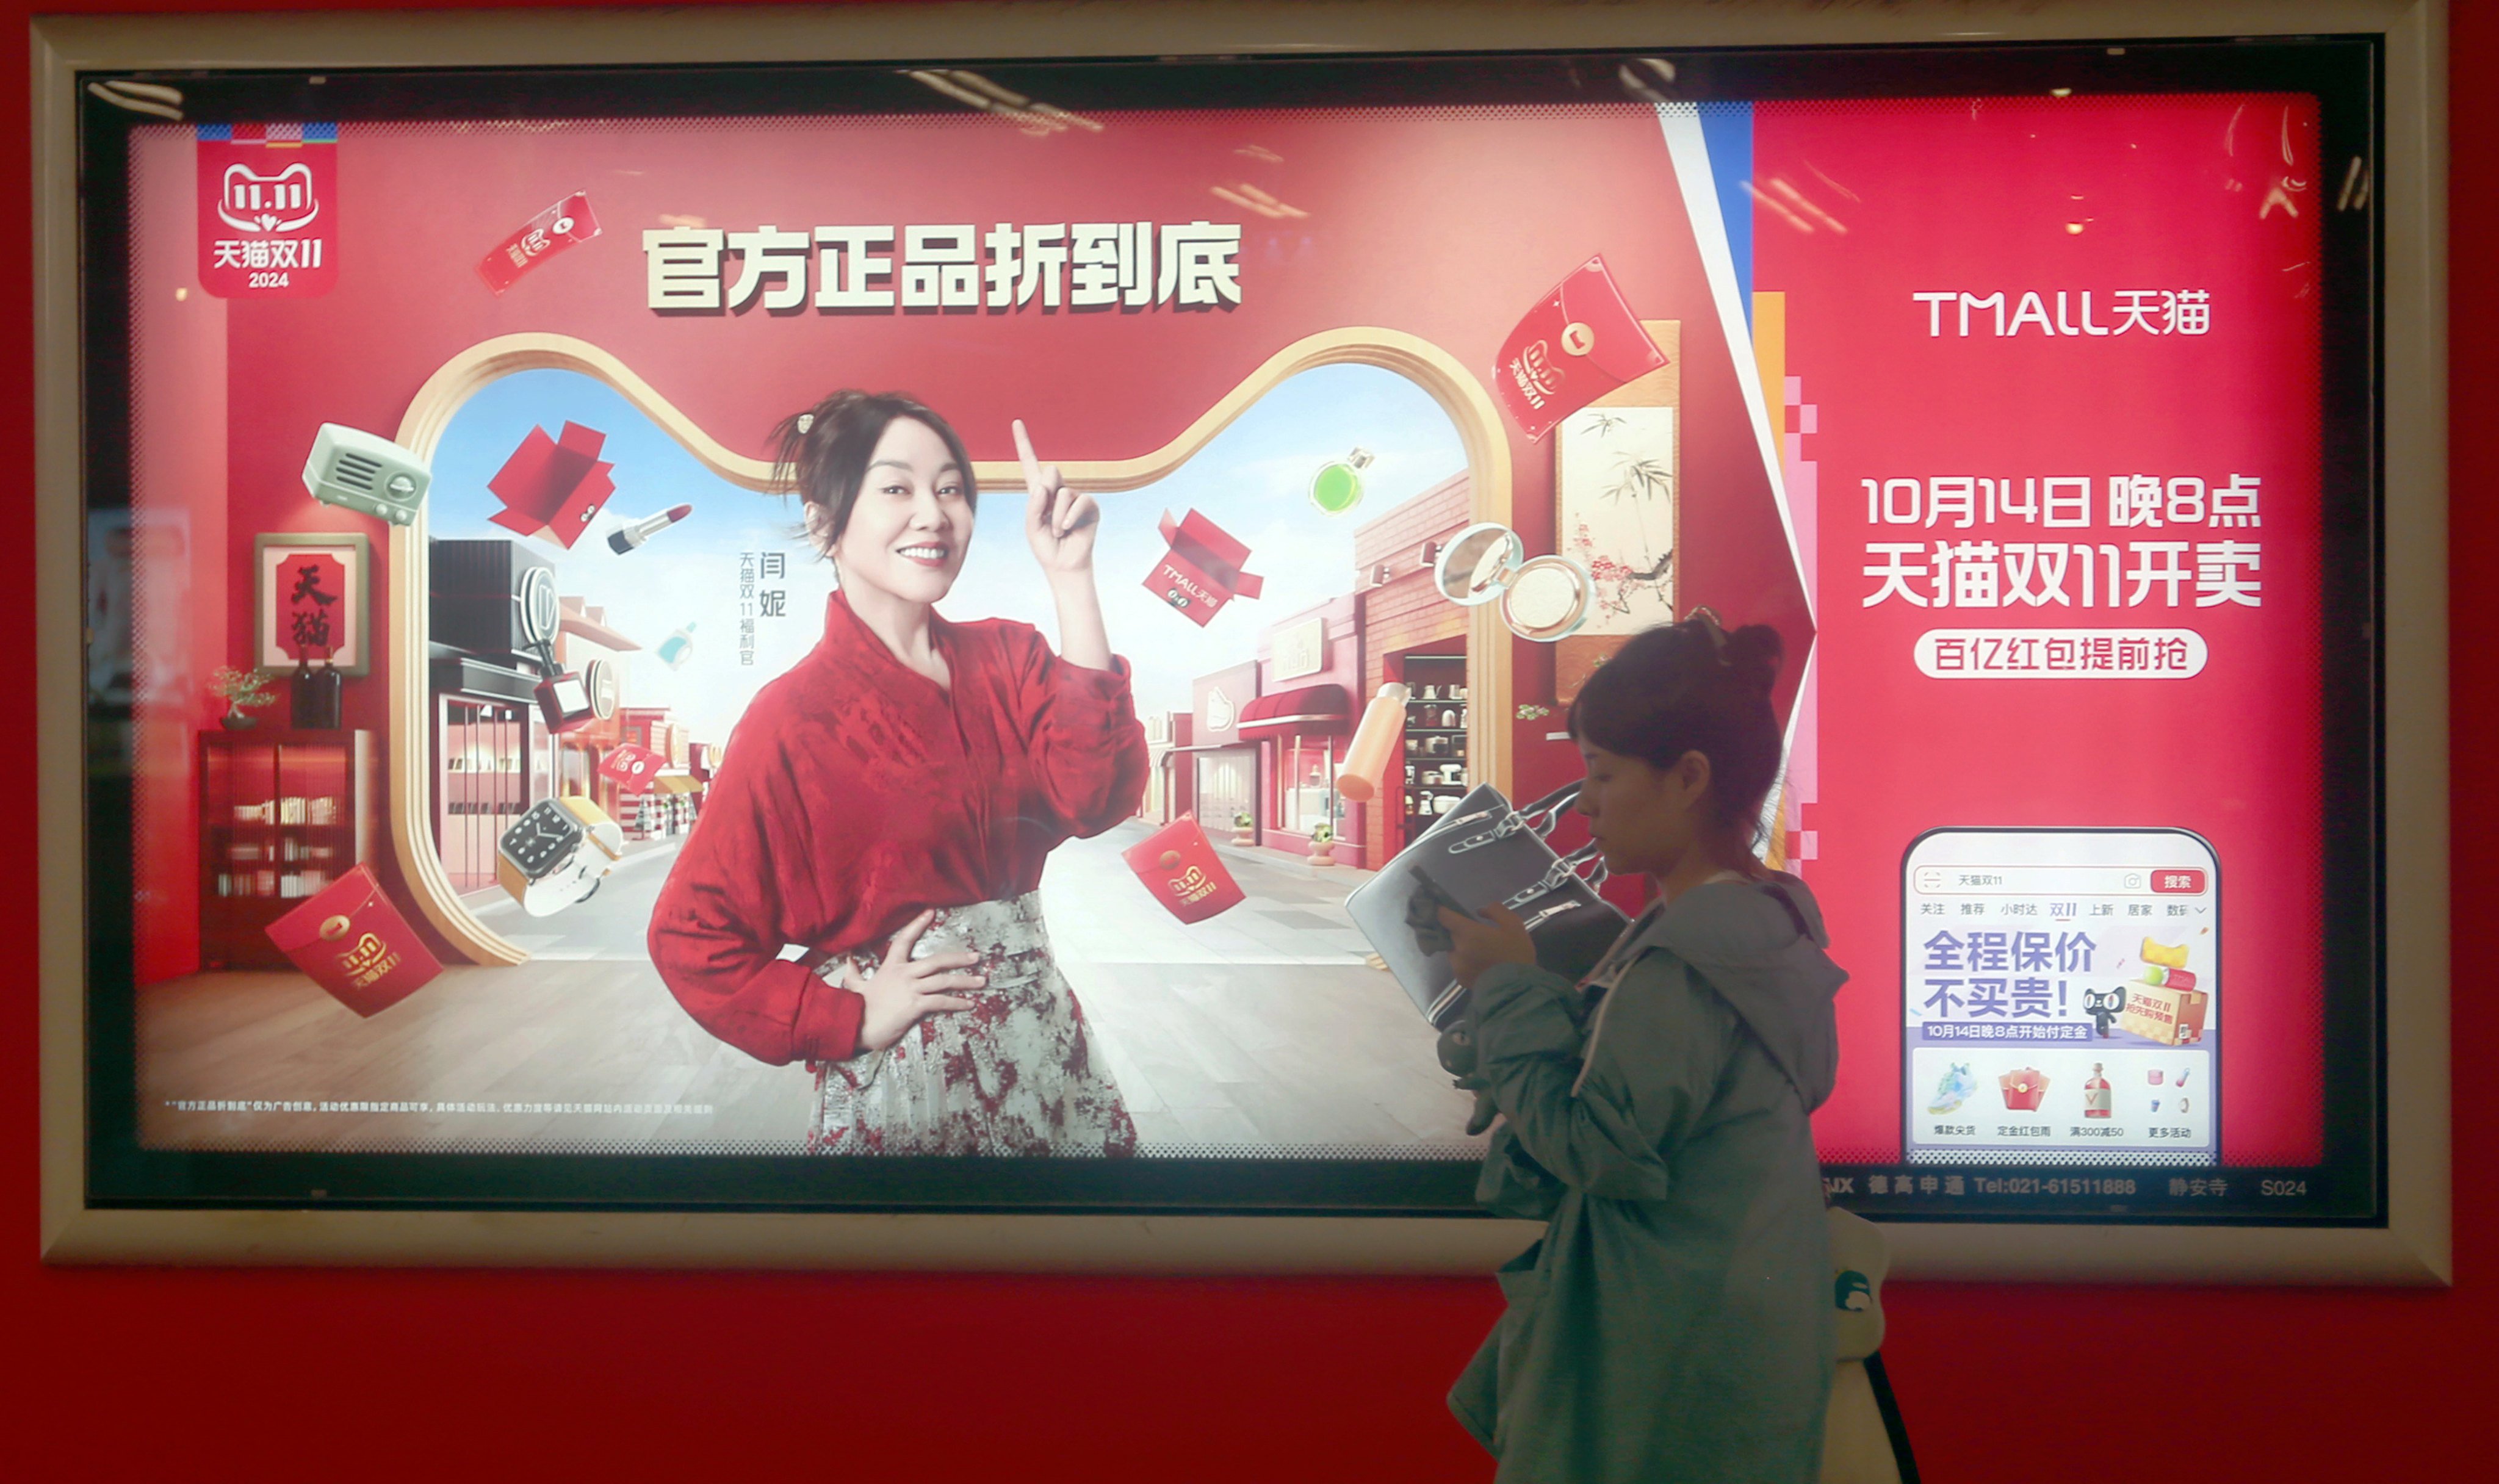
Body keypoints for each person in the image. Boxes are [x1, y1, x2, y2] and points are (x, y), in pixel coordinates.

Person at [647, 391, 1147, 1156]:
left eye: (950, 488)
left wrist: (1072, 577)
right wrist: (848, 1018)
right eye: (896, 488)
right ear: (825, 524)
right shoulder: (790, 717)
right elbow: (691, 935)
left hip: (1048, 1044)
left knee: (1081, 1270)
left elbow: (1092, 796)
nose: (934, 514)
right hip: (913, 1072)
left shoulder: (1011, 655)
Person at [1437, 613, 1845, 1483]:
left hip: (1659, 1359)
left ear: (1686, 778)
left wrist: (1508, 988)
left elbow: (1598, 1148)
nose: (1583, 801)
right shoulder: (1766, 919)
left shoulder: (1686, 957)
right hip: (1726, 1349)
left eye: (1601, 772)